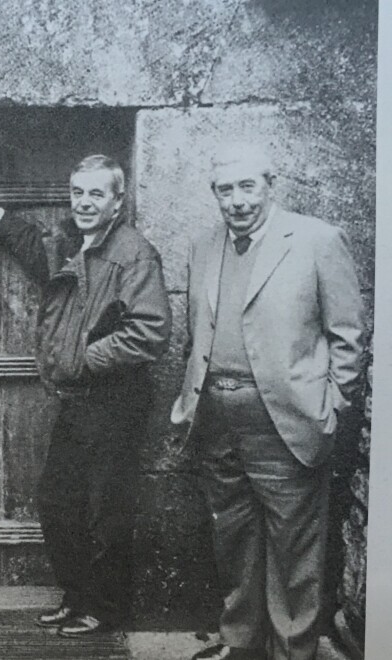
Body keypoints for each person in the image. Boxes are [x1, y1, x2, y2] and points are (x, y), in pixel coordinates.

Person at [0, 155, 172, 636]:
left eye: (97, 194)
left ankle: (105, 609)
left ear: (119, 200)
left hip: (115, 400)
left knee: (106, 510)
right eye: (78, 192)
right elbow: (42, 254)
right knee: (58, 502)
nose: (85, 202)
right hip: (81, 400)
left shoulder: (133, 253)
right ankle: (77, 598)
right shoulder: (79, 242)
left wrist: (83, 359)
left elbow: (151, 332)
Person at [172, 145, 365, 660]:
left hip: (287, 424)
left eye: (247, 187)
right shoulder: (204, 245)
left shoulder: (316, 240)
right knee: (233, 541)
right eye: (225, 190)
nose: (237, 201)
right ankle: (241, 646)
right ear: (215, 194)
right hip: (217, 422)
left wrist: (332, 411)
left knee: (294, 553)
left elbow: (348, 335)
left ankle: (291, 651)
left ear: (270, 184)